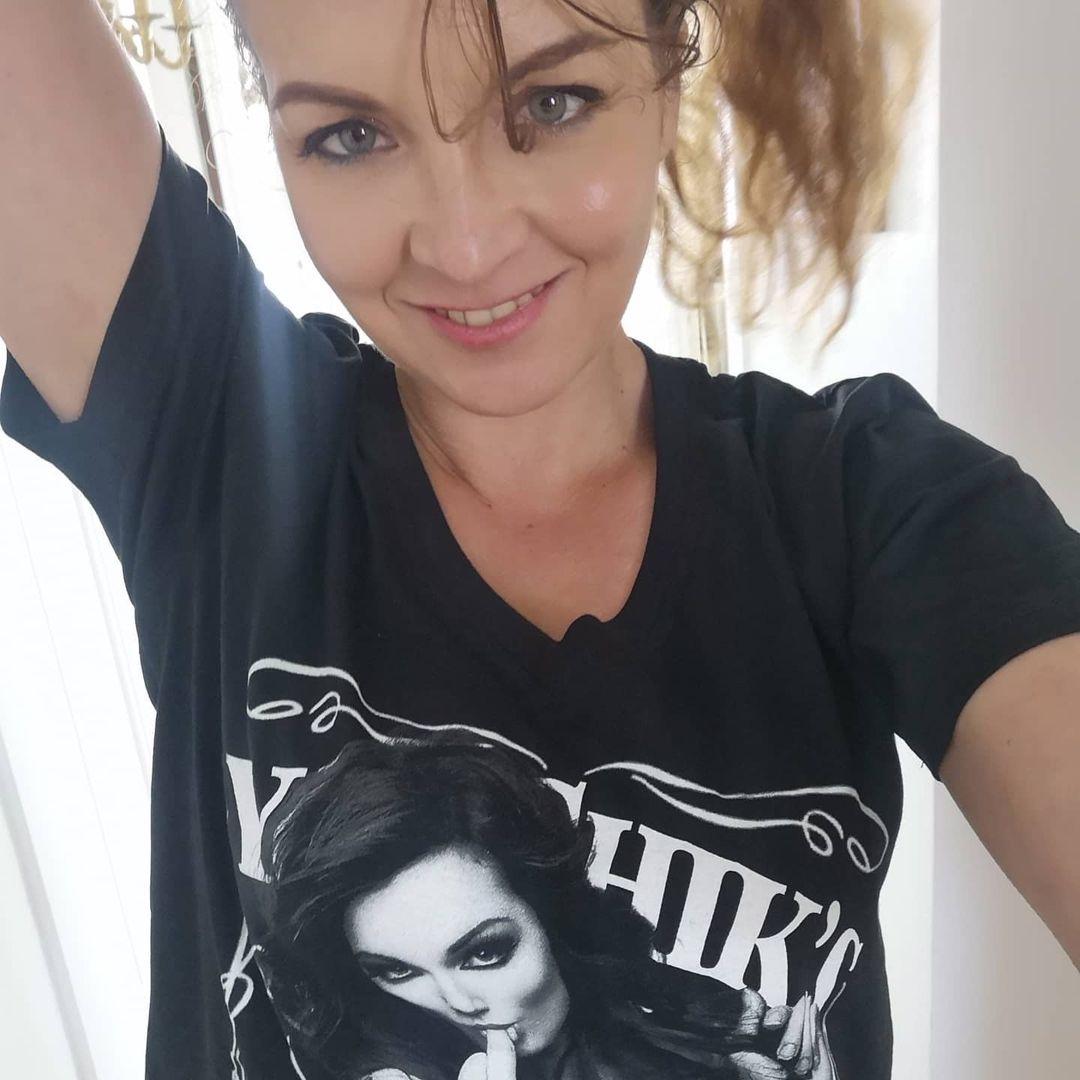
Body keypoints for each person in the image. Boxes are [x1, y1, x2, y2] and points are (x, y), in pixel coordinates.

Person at [1, 2, 1078, 1079]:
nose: (465, 247)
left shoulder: (873, 502)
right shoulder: (218, 435)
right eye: (352, 136)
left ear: (668, 75)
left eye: (553, 103)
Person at [254, 733, 836, 1080]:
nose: (459, 1004)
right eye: (396, 971)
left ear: (550, 914)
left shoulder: (699, 1024)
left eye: (485, 952)